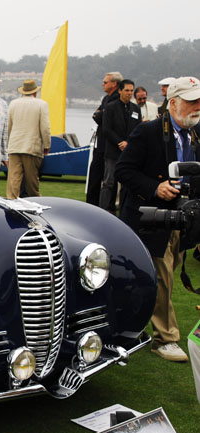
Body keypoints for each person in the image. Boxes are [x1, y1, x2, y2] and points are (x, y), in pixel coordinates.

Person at [116, 76, 200, 362]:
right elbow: (123, 171)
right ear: (173, 103)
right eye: (192, 101)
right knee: (161, 277)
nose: (197, 107)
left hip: (179, 218)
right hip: (150, 218)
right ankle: (165, 337)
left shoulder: (194, 134)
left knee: (163, 273)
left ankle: (130, 326)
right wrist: (155, 187)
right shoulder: (149, 131)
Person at [99, 79, 141, 214]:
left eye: (131, 91)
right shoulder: (111, 107)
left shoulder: (136, 109)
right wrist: (120, 142)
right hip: (112, 151)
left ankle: (124, 211)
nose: (129, 93)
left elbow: (138, 129)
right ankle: (105, 211)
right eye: (127, 90)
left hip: (128, 153)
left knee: (126, 184)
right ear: (120, 91)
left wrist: (128, 143)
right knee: (109, 183)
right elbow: (106, 129)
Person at [5, 79, 51, 199]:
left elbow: (8, 126)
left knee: (13, 182)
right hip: (32, 147)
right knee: (32, 183)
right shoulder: (42, 104)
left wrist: (8, 144)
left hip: (14, 146)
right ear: (35, 92)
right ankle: (35, 203)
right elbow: (45, 128)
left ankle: (11, 203)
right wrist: (47, 145)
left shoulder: (13, 104)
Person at [87, 72, 122, 207]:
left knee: (109, 179)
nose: (103, 84)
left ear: (114, 83)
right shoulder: (106, 99)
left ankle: (106, 206)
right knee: (96, 174)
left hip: (109, 146)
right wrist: (101, 114)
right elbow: (97, 115)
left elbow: (103, 117)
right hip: (100, 142)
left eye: (105, 82)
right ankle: (92, 203)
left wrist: (101, 114)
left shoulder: (115, 100)